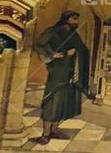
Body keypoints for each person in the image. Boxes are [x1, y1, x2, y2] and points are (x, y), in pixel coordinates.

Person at [33, 10, 91, 143]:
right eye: (74, 19)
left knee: (63, 102)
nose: (76, 22)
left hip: (70, 72)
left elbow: (82, 48)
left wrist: (80, 52)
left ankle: (54, 130)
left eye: (77, 19)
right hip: (57, 72)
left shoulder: (73, 34)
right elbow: (38, 45)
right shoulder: (53, 31)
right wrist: (52, 54)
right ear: (66, 19)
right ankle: (45, 134)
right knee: (52, 101)